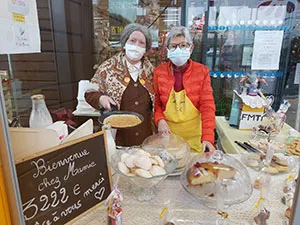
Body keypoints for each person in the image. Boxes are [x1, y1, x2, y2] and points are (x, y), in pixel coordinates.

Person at [85, 23, 155, 147]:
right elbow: (90, 92)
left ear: (146, 48)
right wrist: (101, 98)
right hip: (118, 138)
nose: (136, 46)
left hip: (147, 138)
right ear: (124, 43)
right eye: (132, 40)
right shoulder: (108, 68)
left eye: (141, 43)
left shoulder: (152, 71)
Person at [153, 26, 216, 153]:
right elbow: (156, 102)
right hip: (168, 135)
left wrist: (208, 137)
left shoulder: (202, 71)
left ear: (191, 48)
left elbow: (207, 105)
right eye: (173, 46)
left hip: (195, 137)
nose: (178, 50)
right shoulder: (159, 72)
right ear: (167, 50)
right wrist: (160, 120)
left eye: (183, 45)